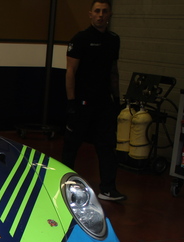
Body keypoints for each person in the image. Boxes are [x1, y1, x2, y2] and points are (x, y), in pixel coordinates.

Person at [63, 1, 126, 201]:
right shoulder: (80, 39)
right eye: (97, 11)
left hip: (104, 103)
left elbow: (113, 71)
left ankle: (108, 189)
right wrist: (71, 101)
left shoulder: (113, 39)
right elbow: (70, 71)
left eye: (104, 11)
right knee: (72, 145)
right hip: (82, 102)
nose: (100, 15)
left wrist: (117, 98)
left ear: (110, 15)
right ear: (90, 14)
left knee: (107, 146)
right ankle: (63, 187)